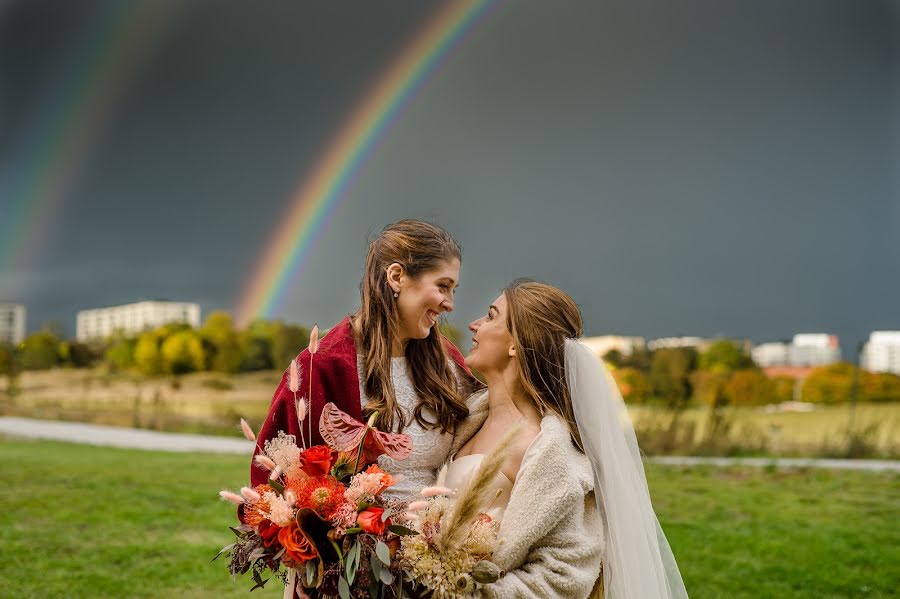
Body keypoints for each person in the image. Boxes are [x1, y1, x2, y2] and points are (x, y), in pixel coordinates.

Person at [445, 280, 688, 599]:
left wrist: (466, 591)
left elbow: (565, 577)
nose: (474, 324)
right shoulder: (465, 418)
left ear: (515, 344)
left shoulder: (547, 452)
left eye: (491, 316)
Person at [248, 220, 478, 500]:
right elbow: (274, 484)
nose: (450, 303)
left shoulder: (447, 362)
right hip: (353, 542)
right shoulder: (321, 367)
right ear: (396, 276)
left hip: (437, 535)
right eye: (443, 286)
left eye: (454, 289)